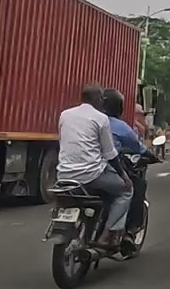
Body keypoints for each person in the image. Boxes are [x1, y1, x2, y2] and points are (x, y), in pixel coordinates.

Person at [57, 84, 133, 248]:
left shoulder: (65, 115)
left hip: (63, 175)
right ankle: (107, 234)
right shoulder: (101, 118)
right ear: (98, 99)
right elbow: (110, 153)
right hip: (90, 176)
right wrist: (124, 176)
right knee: (126, 191)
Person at [101, 88, 149, 234]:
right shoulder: (118, 126)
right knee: (128, 189)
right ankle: (111, 233)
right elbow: (137, 147)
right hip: (99, 171)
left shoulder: (86, 121)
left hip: (68, 173)